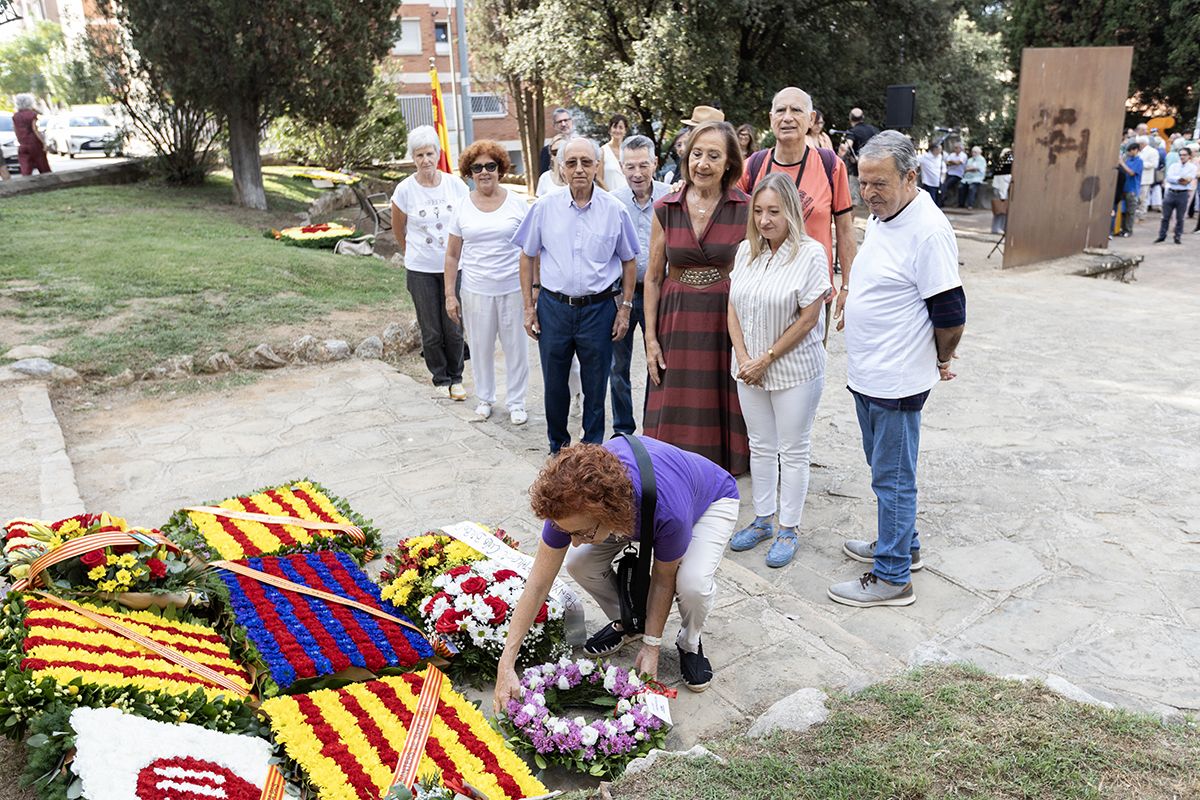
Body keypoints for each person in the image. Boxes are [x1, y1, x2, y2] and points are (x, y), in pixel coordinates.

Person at [492, 436, 739, 702]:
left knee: (693, 584)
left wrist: (652, 647)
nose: (573, 541)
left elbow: (663, 578)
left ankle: (689, 642)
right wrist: (505, 664)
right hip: (627, 506)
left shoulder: (669, 512)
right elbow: (538, 584)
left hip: (711, 500)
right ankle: (632, 622)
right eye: (568, 532)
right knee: (579, 562)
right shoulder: (567, 505)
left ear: (608, 515)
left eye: (580, 533)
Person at [829, 130, 966, 607]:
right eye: (863, 183)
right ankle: (902, 546)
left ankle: (892, 577)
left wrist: (942, 358)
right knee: (885, 471)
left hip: (896, 379)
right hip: (870, 374)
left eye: (879, 184)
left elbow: (950, 314)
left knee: (893, 478)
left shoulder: (928, 230)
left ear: (910, 178)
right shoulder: (891, 217)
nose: (868, 194)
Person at [727, 174, 831, 568]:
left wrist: (766, 357)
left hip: (793, 370)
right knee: (761, 445)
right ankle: (762, 519)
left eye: (774, 211)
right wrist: (742, 357)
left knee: (794, 449)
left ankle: (789, 527)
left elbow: (808, 319)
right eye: (758, 211)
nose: (765, 220)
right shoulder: (745, 252)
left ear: (790, 211)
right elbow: (733, 306)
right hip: (748, 369)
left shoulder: (810, 253)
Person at [512, 137, 639, 453]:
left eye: (586, 162)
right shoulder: (544, 207)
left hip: (598, 311)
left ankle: (591, 451)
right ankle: (558, 447)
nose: (579, 169)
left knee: (596, 387)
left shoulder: (615, 210)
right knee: (555, 386)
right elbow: (527, 255)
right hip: (554, 308)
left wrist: (624, 309)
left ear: (597, 165)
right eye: (571, 163)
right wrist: (529, 307)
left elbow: (629, 259)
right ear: (560, 167)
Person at [643, 121, 750, 475]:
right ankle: (671, 466)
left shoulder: (745, 208)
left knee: (720, 391)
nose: (702, 163)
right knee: (675, 394)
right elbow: (654, 277)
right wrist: (650, 339)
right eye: (697, 154)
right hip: (676, 317)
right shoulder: (666, 207)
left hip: (725, 316)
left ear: (729, 164)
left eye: (713, 156)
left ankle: (722, 467)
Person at [738, 87, 856, 340]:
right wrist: (681, 186)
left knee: (806, 371)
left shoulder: (831, 166)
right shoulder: (752, 167)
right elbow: (718, 202)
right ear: (771, 119)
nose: (787, 117)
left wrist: (847, 285)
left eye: (796, 110)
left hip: (812, 293)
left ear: (811, 119)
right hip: (762, 292)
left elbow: (846, 230)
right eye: (780, 110)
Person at [444, 140, 530, 425]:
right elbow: (452, 255)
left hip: (512, 288)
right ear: (469, 172)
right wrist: (449, 295)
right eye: (477, 167)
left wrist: (534, 291)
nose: (484, 172)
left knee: (516, 347)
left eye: (490, 166)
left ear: (500, 169)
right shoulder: (461, 207)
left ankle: (517, 402)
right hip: (476, 289)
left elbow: (531, 251)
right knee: (480, 347)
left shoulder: (518, 204)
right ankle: (485, 398)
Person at [391, 125, 470, 399]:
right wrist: (412, 253)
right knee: (432, 329)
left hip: (454, 268)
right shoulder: (404, 190)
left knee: (454, 326)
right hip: (421, 270)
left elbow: (466, 222)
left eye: (429, 153)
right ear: (413, 158)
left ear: (438, 153)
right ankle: (440, 378)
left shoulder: (455, 185)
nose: (425, 160)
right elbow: (398, 229)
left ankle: (457, 377)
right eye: (419, 155)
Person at [609, 135, 670, 435]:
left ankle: (652, 427)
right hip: (621, 294)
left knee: (656, 360)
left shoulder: (669, 196)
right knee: (617, 366)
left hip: (658, 292)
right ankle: (623, 428)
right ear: (621, 167)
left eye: (643, 165)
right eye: (630, 166)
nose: (637, 173)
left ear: (655, 163)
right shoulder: (613, 201)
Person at [1154, 147, 1196, 245]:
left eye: (1184, 155)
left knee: (1180, 217)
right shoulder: (1174, 166)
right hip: (1171, 193)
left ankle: (1177, 236)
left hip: (1183, 194)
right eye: (1180, 155)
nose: (1182, 157)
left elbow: (1188, 180)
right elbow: (1169, 178)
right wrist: (1179, 179)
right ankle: (1162, 235)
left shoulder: (1192, 167)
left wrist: (1177, 179)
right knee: (1165, 216)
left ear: (1189, 156)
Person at [844, 107, 880, 204]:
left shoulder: (852, 131)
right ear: (863, 117)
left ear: (850, 118)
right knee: (872, 201)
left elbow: (847, 147)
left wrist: (850, 156)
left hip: (856, 172)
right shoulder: (874, 130)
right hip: (873, 172)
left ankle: (852, 219)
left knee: (854, 202)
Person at [12, 94, 51, 176]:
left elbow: (15, 130)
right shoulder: (32, 114)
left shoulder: (15, 116)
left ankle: (25, 184)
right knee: (43, 166)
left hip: (23, 144)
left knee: (25, 168)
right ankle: (49, 182)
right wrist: (44, 142)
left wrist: (20, 140)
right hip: (34, 143)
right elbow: (35, 129)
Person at [1115, 141, 1143, 237]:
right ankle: (1122, 229)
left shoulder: (1139, 161)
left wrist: (1122, 163)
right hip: (1124, 188)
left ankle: (1129, 230)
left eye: (1131, 150)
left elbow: (1131, 173)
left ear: (1136, 150)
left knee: (1130, 212)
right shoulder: (1128, 160)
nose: (1129, 152)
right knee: (1123, 211)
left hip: (1132, 190)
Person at [540, 107, 574, 176]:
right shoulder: (547, 151)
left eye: (566, 120)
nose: (563, 124)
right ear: (554, 126)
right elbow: (544, 175)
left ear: (571, 121)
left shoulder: (581, 146)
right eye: (559, 122)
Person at [600, 114, 629, 191]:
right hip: (610, 198)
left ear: (625, 131)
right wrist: (611, 196)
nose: (617, 130)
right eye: (615, 127)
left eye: (621, 127)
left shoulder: (629, 151)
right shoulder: (603, 151)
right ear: (610, 130)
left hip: (629, 198)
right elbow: (599, 178)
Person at [991, 148, 1013, 234]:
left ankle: (998, 227)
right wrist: (1003, 195)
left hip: (998, 188)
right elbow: (1003, 181)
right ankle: (997, 228)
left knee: (1000, 210)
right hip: (1001, 189)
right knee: (1000, 210)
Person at [1137, 135, 1159, 217]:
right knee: (1138, 196)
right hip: (1138, 177)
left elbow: (1155, 164)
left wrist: (1141, 164)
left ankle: (1142, 212)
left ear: (1143, 143)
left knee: (1143, 196)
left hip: (1146, 178)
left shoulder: (1152, 151)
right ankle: (1139, 211)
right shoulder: (1139, 151)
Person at [918, 142, 945, 207]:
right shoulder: (924, 157)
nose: (940, 151)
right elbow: (915, 162)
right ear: (934, 149)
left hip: (938, 183)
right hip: (928, 182)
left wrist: (942, 180)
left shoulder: (940, 158)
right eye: (939, 149)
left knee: (938, 201)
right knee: (931, 201)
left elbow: (944, 170)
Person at [942, 141, 967, 207]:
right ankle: (942, 199)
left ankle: (942, 200)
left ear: (961, 148)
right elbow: (947, 162)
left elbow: (958, 163)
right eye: (955, 148)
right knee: (942, 184)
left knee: (946, 185)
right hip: (949, 173)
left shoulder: (963, 155)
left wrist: (952, 162)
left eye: (957, 148)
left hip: (957, 174)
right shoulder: (952, 154)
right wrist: (953, 162)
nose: (955, 149)